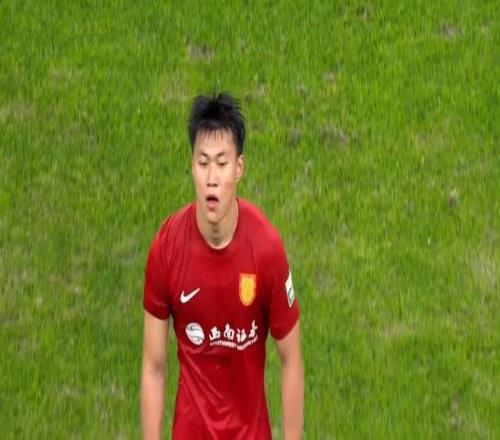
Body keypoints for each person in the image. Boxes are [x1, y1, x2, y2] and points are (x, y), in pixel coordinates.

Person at [140, 92, 304, 439]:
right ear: (192, 165)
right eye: (203, 163)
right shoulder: (167, 248)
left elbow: (291, 360)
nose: (211, 178)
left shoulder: (267, 250)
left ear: (239, 168)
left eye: (221, 163)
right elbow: (153, 367)